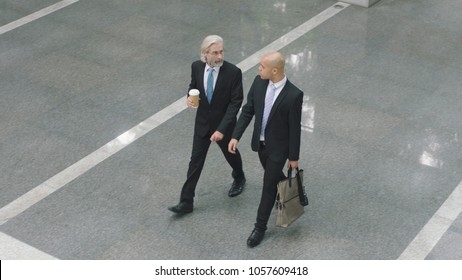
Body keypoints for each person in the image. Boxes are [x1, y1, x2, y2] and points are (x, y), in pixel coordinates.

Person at [228, 51, 303, 248]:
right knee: (275, 179)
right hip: (260, 146)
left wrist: (293, 157)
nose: (258, 70)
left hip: (279, 149)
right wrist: (235, 135)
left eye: (262, 67)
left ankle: (259, 227)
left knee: (268, 185)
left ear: (275, 70)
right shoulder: (259, 82)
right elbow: (248, 110)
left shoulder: (294, 95)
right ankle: (286, 190)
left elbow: (295, 129)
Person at [168, 35, 246, 214]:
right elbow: (193, 87)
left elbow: (236, 103)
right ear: (205, 54)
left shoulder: (233, 72)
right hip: (202, 122)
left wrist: (221, 129)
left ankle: (239, 176)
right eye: (215, 53)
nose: (219, 56)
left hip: (224, 125)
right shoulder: (196, 67)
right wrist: (189, 98)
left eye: (221, 52)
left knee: (231, 154)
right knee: (195, 161)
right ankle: (186, 201)